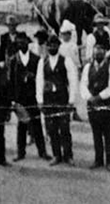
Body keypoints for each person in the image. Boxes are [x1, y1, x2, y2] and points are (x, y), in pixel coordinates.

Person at [36, 35, 78, 165]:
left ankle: (68, 155)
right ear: (46, 47)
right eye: (49, 45)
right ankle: (56, 155)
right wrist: (40, 100)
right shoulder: (42, 62)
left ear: (58, 46)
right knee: (52, 128)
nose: (51, 47)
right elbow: (39, 81)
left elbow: (73, 81)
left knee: (64, 128)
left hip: (62, 98)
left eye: (54, 45)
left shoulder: (66, 61)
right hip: (49, 99)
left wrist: (71, 101)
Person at [6, 36, 49, 162]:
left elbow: (41, 77)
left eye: (24, 43)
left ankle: (42, 152)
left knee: (37, 125)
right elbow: (10, 80)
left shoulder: (36, 59)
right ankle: (20, 152)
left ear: (28, 44)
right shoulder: (13, 60)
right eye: (19, 43)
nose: (22, 45)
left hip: (33, 97)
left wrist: (33, 77)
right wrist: (12, 100)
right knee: (22, 126)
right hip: (20, 98)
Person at [79, 42, 110, 171]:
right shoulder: (87, 67)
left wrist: (99, 96)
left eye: (101, 50)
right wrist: (89, 97)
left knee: (108, 133)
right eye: (97, 50)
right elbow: (83, 85)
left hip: (105, 103)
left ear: (105, 52)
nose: (98, 53)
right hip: (92, 104)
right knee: (96, 133)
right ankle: (98, 159)